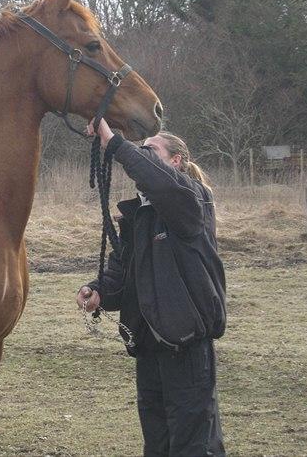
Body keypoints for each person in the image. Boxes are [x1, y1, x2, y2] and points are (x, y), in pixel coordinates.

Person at [77, 118, 226, 457]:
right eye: (140, 150)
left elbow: (160, 184)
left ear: (176, 161)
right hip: (148, 347)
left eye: (150, 150)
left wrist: (114, 143)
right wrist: (99, 292)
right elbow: (122, 273)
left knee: (194, 446)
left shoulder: (191, 200)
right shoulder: (139, 217)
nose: (142, 154)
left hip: (187, 348)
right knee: (157, 445)